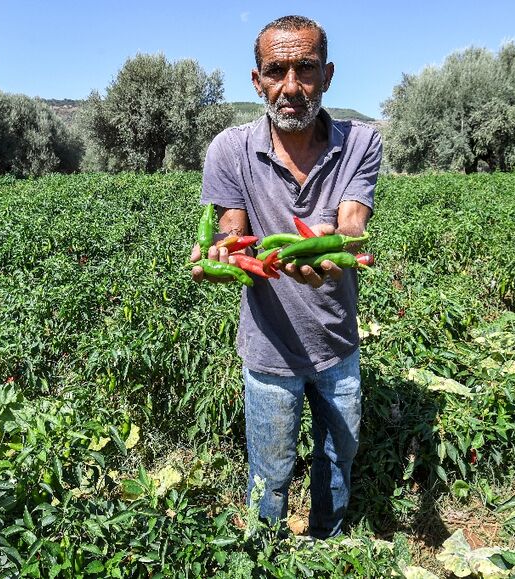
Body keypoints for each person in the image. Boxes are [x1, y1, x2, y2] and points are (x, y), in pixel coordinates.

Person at [190, 15, 382, 539]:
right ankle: (262, 558)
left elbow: (352, 223)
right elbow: (234, 234)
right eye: (277, 71)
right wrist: (220, 258)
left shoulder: (361, 141)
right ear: (257, 80)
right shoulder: (229, 150)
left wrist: (332, 242)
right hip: (268, 350)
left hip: (338, 344)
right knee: (270, 475)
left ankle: (329, 546)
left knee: (336, 464)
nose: (292, 87)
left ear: (328, 74)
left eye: (306, 68)